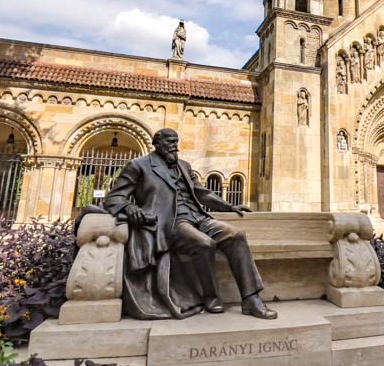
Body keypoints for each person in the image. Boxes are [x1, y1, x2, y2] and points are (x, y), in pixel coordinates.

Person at [103, 128, 277, 320]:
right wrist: (130, 209)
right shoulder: (139, 165)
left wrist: (228, 206)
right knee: (204, 243)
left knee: (235, 235)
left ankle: (251, 299)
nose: (174, 147)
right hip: (171, 222)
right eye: (169, 142)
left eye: (176, 142)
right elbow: (115, 197)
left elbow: (203, 193)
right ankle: (210, 297)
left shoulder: (184, 166)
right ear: (156, 144)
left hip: (198, 217)